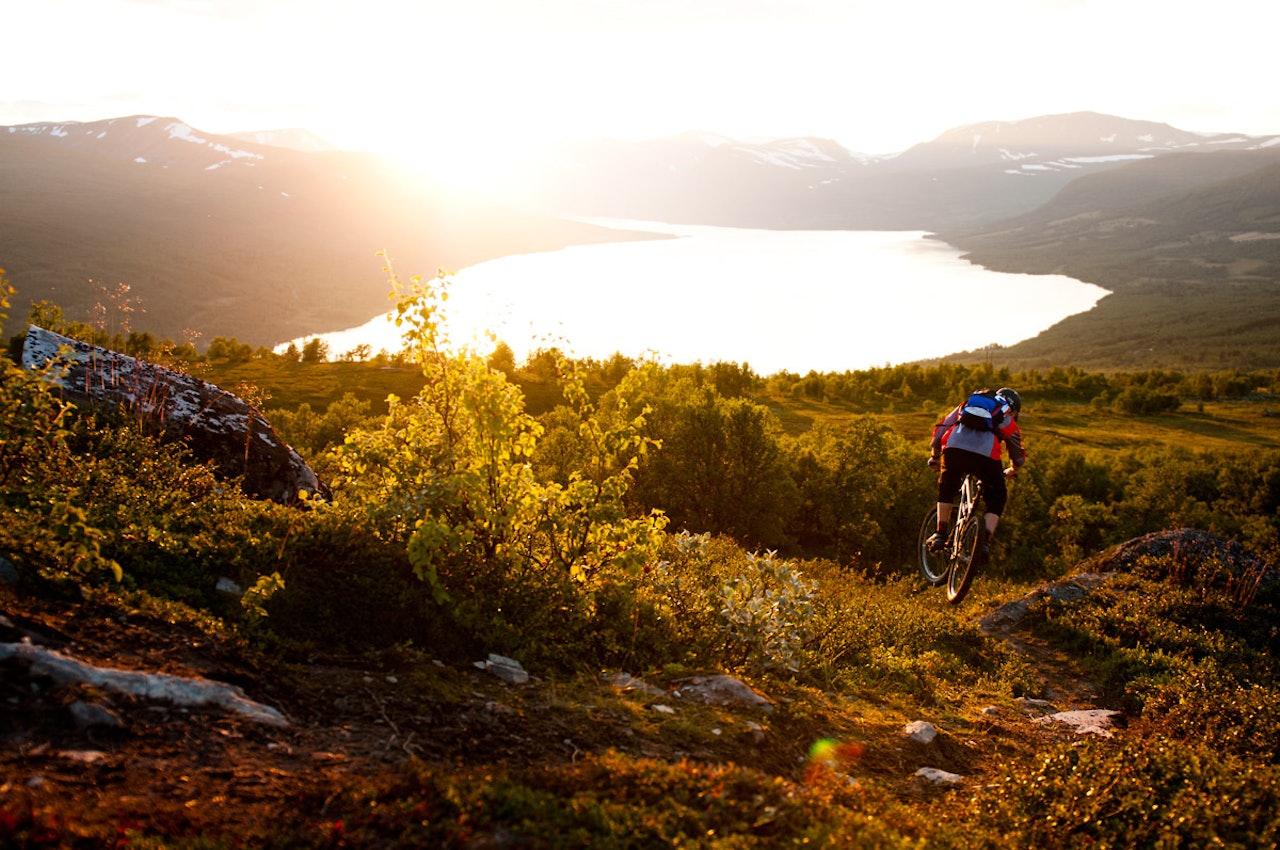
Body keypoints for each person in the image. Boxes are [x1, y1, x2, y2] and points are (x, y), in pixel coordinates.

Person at [926, 387, 1026, 561]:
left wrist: (935, 457)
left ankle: (940, 533)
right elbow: (1017, 454)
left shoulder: (967, 404)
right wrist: (1013, 469)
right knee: (997, 496)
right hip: (986, 457)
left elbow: (941, 429)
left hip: (954, 448)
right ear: (1014, 410)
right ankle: (984, 543)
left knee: (947, 487)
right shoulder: (1006, 416)